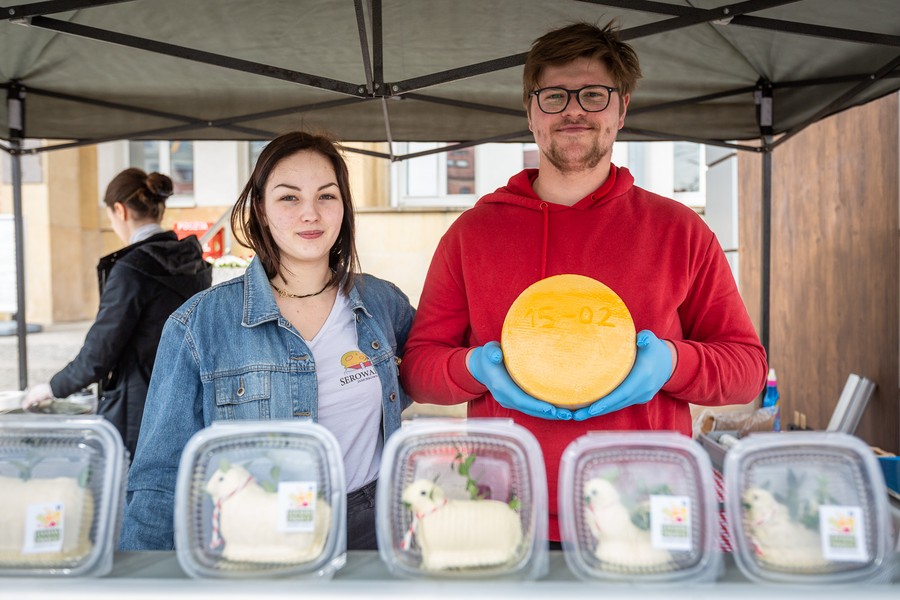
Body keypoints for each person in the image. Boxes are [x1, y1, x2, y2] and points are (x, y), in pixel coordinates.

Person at [399, 22, 768, 543]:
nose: (574, 110)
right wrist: (473, 367)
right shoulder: (471, 234)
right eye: (553, 96)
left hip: (646, 515)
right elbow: (418, 370)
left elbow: (747, 370)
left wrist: (673, 363)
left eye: (593, 95)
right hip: (509, 517)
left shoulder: (680, 231)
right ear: (531, 112)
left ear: (622, 109)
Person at [120, 131, 415, 551]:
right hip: (257, 536)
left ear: (344, 207)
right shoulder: (198, 324)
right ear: (260, 208)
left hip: (371, 528)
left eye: (327, 196)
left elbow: (426, 369)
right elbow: (160, 479)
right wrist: (142, 577)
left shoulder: (383, 303)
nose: (310, 213)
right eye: (289, 198)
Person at [23, 168, 212, 458]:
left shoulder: (130, 269)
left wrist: (51, 388)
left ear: (120, 211)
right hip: (189, 401)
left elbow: (99, 353)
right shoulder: (192, 260)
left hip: (136, 413)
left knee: (130, 498)